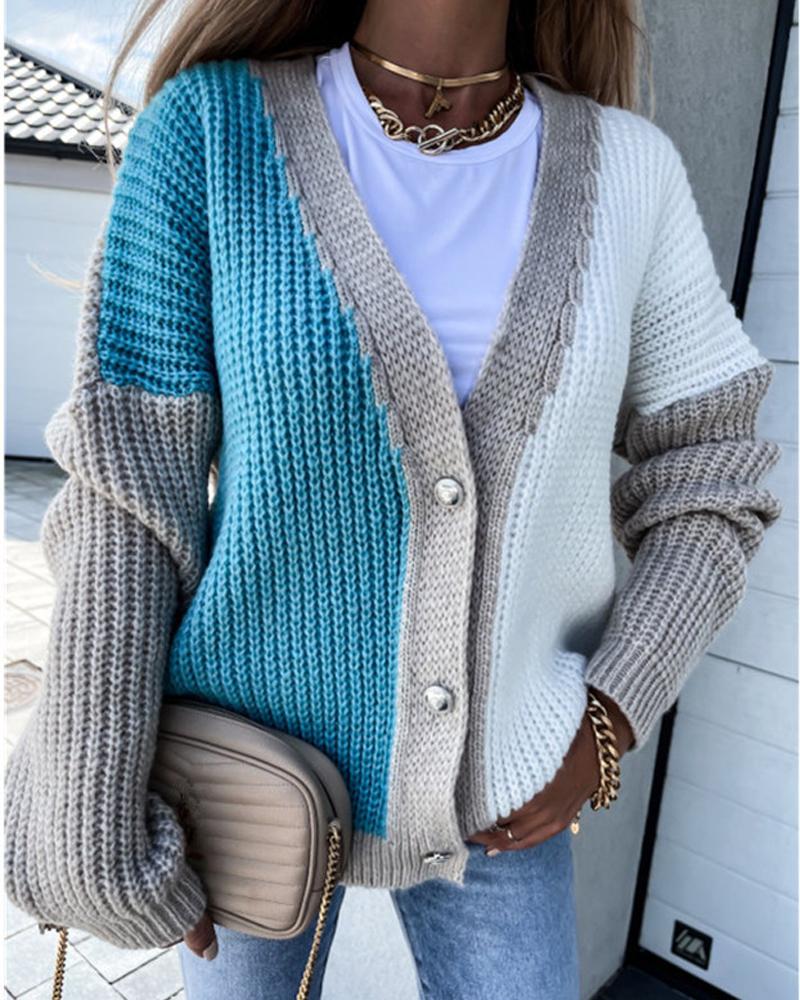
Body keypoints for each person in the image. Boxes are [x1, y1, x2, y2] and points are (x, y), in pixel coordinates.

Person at [4, 1, 783, 998]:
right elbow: (128, 487)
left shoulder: (628, 172)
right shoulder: (210, 131)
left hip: (503, 788)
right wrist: (88, 793)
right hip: (240, 785)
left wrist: (608, 716)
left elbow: (712, 477)